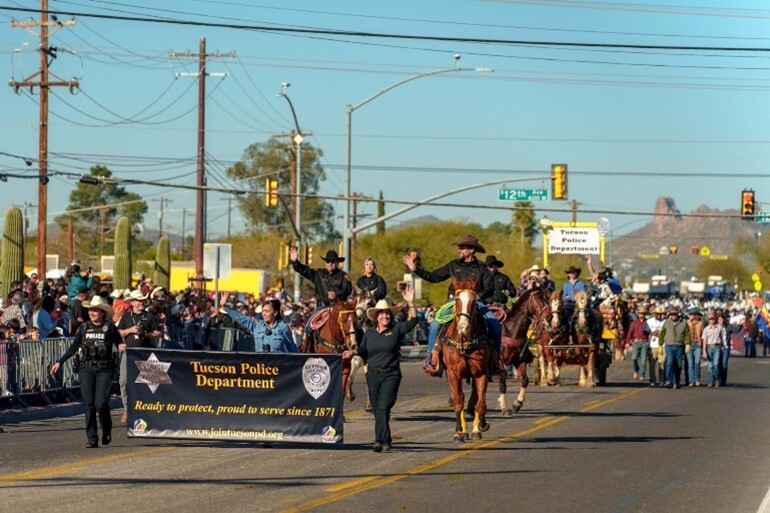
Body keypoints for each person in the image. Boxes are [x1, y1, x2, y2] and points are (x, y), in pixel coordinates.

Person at [402, 234, 502, 376]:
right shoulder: (453, 265)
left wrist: (478, 296)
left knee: (495, 325)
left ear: (472, 250)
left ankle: (497, 360)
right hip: (453, 303)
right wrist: (415, 269)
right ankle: (432, 359)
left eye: (462, 247)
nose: (459, 250)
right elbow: (434, 277)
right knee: (435, 324)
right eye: (459, 247)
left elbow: (490, 287)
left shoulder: (482, 268)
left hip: (475, 303)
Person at [345, 285, 417, 452]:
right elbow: (363, 350)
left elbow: (413, 322)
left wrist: (411, 303)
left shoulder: (396, 330)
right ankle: (385, 440)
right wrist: (351, 352)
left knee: (383, 407)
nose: (385, 316)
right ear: (376, 317)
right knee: (378, 409)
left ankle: (379, 440)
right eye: (382, 314)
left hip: (391, 374)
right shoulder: (369, 333)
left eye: (387, 314)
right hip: (373, 375)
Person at [50, 296, 120, 448]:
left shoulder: (110, 327)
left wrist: (121, 346)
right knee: (89, 404)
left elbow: (119, 342)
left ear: (102, 312)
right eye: (91, 310)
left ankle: (106, 429)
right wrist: (60, 362)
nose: (92, 313)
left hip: (105, 369)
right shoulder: (83, 328)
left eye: (95, 310)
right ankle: (92, 438)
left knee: (101, 403)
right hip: (86, 369)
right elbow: (74, 346)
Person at [116, 289, 162, 423]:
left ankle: (148, 409)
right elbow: (118, 332)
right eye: (139, 301)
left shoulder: (150, 316)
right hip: (129, 352)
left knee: (149, 383)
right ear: (133, 302)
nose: (141, 303)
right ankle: (126, 408)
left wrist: (145, 333)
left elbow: (157, 333)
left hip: (146, 353)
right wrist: (130, 330)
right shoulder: (126, 316)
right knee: (124, 380)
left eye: (143, 300)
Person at [290, 247, 352, 327]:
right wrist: (295, 262)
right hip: (322, 307)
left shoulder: (343, 275)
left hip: (339, 307)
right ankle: (305, 338)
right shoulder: (318, 273)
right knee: (309, 326)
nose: (330, 264)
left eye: (332, 261)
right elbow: (304, 270)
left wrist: (336, 293)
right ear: (325, 263)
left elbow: (348, 289)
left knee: (353, 326)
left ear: (337, 263)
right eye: (328, 261)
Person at [219, 295, 297, 353]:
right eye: (262, 311)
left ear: (275, 313)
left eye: (267, 311)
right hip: (260, 368)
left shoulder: (283, 328)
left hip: (277, 369)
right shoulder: (256, 325)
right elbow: (241, 318)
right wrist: (226, 307)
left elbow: (293, 350)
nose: (263, 314)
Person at [659, 307, 691, 389]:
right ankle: (669, 381)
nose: (673, 316)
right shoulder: (666, 322)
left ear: (677, 314)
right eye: (671, 314)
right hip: (669, 345)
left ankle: (677, 381)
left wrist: (688, 344)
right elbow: (662, 334)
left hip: (679, 346)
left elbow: (687, 334)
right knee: (670, 362)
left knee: (679, 364)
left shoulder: (684, 322)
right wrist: (660, 345)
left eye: (674, 314)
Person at [625, 305, 650, 381]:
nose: (640, 315)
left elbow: (650, 332)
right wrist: (627, 342)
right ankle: (636, 370)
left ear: (644, 314)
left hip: (644, 342)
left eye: (642, 313)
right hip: (636, 342)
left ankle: (642, 375)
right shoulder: (634, 322)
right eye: (639, 313)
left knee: (643, 360)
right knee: (634, 358)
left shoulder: (647, 322)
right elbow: (630, 332)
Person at [702, 312, 726, 388]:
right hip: (709, 347)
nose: (711, 321)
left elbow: (723, 337)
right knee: (710, 366)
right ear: (708, 320)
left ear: (715, 320)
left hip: (717, 347)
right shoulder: (706, 329)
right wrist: (704, 350)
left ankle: (717, 379)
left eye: (713, 319)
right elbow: (704, 340)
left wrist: (724, 347)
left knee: (716, 364)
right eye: (710, 319)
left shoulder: (719, 327)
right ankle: (710, 381)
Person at [646, 305, 666, 387]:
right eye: (657, 314)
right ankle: (652, 379)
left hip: (662, 345)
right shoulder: (649, 321)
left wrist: (661, 334)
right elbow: (645, 331)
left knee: (662, 363)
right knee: (652, 364)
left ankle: (661, 380)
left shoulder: (665, 321)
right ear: (654, 314)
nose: (659, 315)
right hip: (653, 345)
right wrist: (652, 333)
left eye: (660, 314)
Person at [685, 308, 704, 386]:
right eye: (690, 314)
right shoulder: (687, 323)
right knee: (690, 363)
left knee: (697, 362)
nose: (691, 316)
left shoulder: (700, 323)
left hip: (697, 344)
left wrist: (702, 344)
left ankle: (697, 379)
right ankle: (691, 380)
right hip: (689, 344)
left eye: (693, 314)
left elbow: (703, 334)